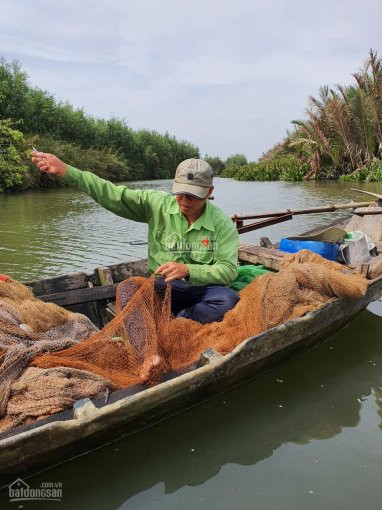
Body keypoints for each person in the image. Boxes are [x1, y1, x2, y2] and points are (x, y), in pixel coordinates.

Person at [31, 152, 240, 324]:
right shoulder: (155, 204)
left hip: (201, 291)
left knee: (227, 300)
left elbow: (228, 270)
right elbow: (111, 194)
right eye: (181, 193)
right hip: (163, 287)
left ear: (209, 191)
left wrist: (188, 270)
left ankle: (180, 323)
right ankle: (157, 336)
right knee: (129, 291)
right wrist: (67, 171)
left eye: (193, 195)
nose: (185, 201)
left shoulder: (222, 225)